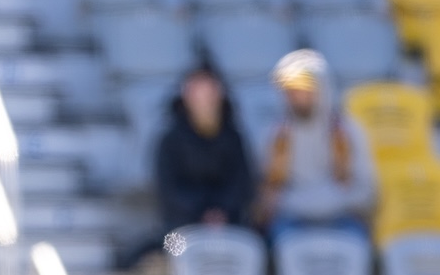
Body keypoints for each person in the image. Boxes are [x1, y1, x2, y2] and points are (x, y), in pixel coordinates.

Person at [255, 49, 376, 247]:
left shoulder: (348, 131)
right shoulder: (274, 135)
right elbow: (266, 197)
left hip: (341, 216)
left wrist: (330, 201)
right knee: (281, 240)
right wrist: (300, 204)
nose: (298, 96)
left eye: (306, 88)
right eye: (292, 90)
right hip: (292, 219)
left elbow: (367, 192)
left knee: (355, 240)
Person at [155, 65, 255, 233]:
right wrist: (201, 212)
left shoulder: (234, 138)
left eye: (209, 93)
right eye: (198, 94)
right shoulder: (170, 140)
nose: (204, 101)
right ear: (186, 96)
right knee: (169, 245)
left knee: (252, 244)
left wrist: (221, 211)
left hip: (229, 222)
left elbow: (242, 183)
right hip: (179, 223)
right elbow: (168, 189)